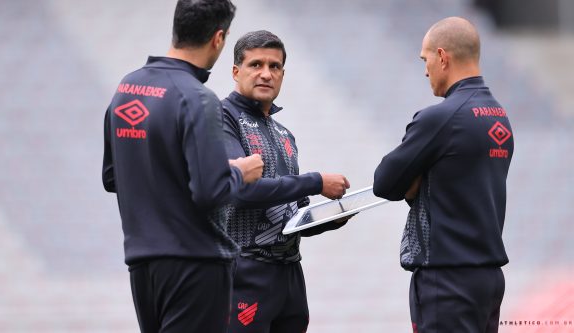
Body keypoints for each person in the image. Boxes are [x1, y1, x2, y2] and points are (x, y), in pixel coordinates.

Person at [101, 1, 265, 332]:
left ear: (177, 27)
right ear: (219, 38)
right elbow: (210, 191)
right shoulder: (196, 97)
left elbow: (112, 177)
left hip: (143, 265)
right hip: (195, 264)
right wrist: (239, 172)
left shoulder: (126, 88)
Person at [373, 17, 514, 333]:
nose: (425, 70)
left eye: (426, 60)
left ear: (443, 56)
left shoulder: (440, 118)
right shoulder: (499, 117)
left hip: (447, 280)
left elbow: (384, 183)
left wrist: (415, 184)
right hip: (487, 278)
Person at [219, 30, 353, 333]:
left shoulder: (284, 134)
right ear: (236, 71)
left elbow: (294, 216)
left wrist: (334, 217)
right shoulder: (221, 115)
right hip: (243, 270)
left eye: (275, 66)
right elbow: (239, 190)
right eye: (256, 65)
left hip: (290, 274)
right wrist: (316, 181)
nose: (266, 74)